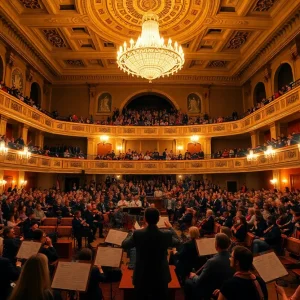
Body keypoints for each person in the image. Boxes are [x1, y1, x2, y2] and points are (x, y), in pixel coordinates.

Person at [121, 207, 180, 300]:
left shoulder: (137, 234)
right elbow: (178, 241)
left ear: (145, 218)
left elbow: (124, 245)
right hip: (161, 275)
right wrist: (171, 228)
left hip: (142, 275)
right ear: (158, 219)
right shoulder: (166, 234)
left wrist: (132, 232)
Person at [185, 233, 234, 300]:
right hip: (223, 287)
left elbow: (199, 280)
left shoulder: (212, 261)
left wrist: (194, 276)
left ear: (216, 245)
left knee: (188, 281)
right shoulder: (232, 258)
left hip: (212, 290)